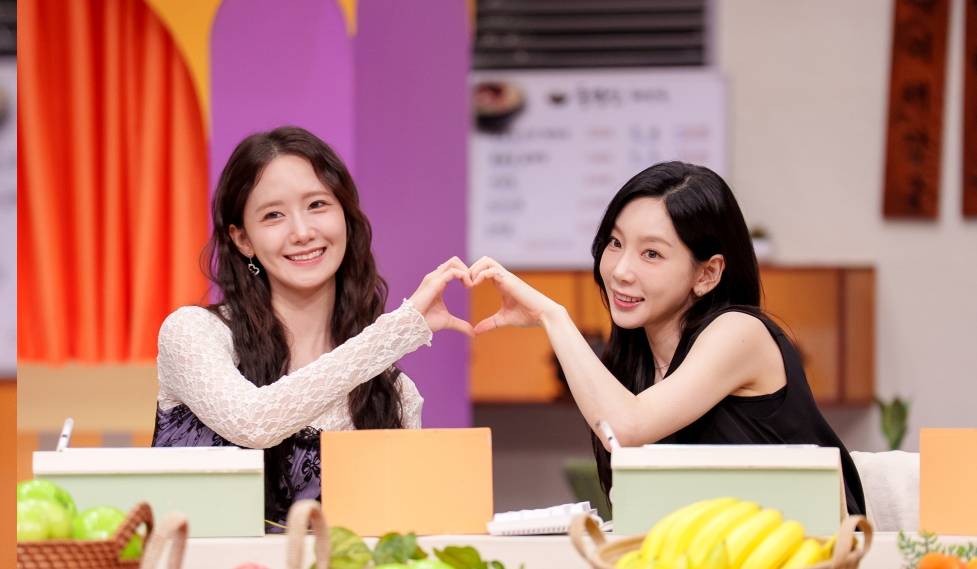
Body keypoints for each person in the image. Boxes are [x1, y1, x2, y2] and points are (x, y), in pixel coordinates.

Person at [469, 161, 866, 515]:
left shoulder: (739, 332)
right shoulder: (637, 360)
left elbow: (624, 428)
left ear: (707, 274)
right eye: (615, 243)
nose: (620, 271)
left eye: (652, 254)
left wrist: (552, 317)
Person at [151, 126, 472, 526]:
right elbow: (254, 422)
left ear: (345, 217)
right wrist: (398, 330)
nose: (302, 232)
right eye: (273, 215)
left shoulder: (392, 394)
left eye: (317, 204)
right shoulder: (194, 333)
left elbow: (403, 527)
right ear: (243, 239)